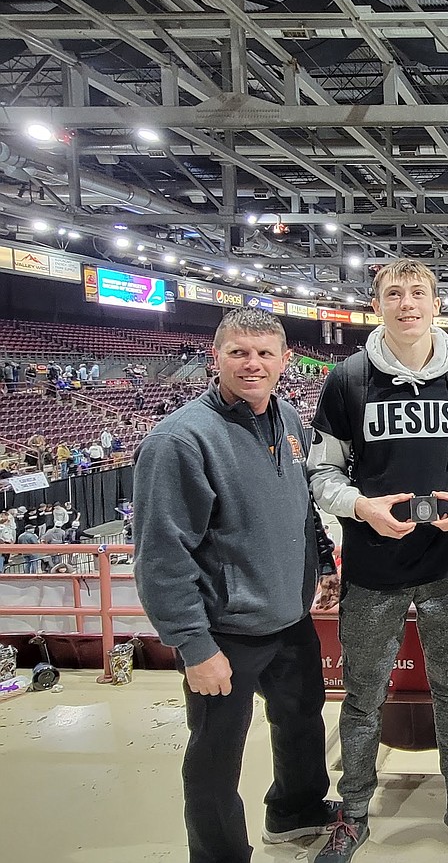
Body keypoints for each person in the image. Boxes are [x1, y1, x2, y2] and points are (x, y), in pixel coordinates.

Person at [307, 259, 448, 863]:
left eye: (419, 292)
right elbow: (322, 471)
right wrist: (362, 507)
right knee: (363, 694)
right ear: (378, 304)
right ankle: (354, 811)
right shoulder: (346, 380)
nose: (408, 303)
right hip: (372, 568)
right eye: (395, 293)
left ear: (437, 303)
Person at [133, 308, 341, 863]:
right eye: (239, 353)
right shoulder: (179, 440)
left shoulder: (290, 421)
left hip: (290, 620)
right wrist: (194, 646)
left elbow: (302, 509)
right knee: (216, 756)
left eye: (265, 353)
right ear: (216, 357)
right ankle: (220, 854)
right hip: (225, 632)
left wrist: (322, 564)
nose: (253, 364)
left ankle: (295, 812)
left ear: (284, 361)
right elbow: (161, 555)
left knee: (300, 724)